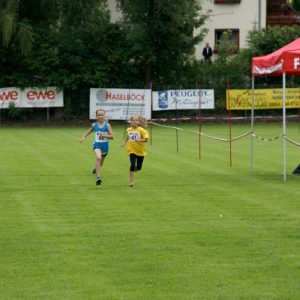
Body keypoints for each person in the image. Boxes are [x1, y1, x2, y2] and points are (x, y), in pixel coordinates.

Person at [80, 108, 114, 185]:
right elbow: (89, 131)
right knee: (98, 157)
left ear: (104, 116)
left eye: (102, 115)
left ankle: (95, 168)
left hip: (105, 147)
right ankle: (98, 178)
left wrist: (103, 134)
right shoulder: (94, 125)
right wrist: (83, 137)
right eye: (99, 115)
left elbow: (112, 137)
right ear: (96, 116)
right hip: (97, 145)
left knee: (101, 163)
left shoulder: (107, 126)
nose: (100, 116)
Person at [121, 115, 148, 187]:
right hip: (131, 150)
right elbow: (127, 138)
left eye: (136, 120)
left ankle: (137, 167)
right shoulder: (128, 130)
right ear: (131, 122)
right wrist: (124, 143)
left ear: (139, 122)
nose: (135, 122)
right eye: (133, 120)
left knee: (139, 168)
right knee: (132, 165)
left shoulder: (141, 130)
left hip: (140, 151)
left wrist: (139, 140)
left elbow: (146, 139)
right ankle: (131, 182)